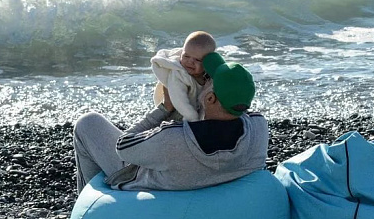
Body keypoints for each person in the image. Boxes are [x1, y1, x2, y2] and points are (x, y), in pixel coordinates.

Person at [73, 51, 268, 193]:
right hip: (204, 179)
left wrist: (165, 108)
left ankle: (89, 207)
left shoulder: (173, 138)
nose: (202, 82)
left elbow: (123, 146)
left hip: (153, 185)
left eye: (207, 80)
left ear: (210, 99)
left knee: (88, 123)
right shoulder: (259, 128)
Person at [150, 31, 217, 122]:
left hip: (194, 111)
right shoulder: (178, 73)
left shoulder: (208, 75)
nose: (190, 61)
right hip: (176, 112)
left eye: (197, 59)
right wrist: (193, 119)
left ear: (208, 62)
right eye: (186, 56)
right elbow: (179, 100)